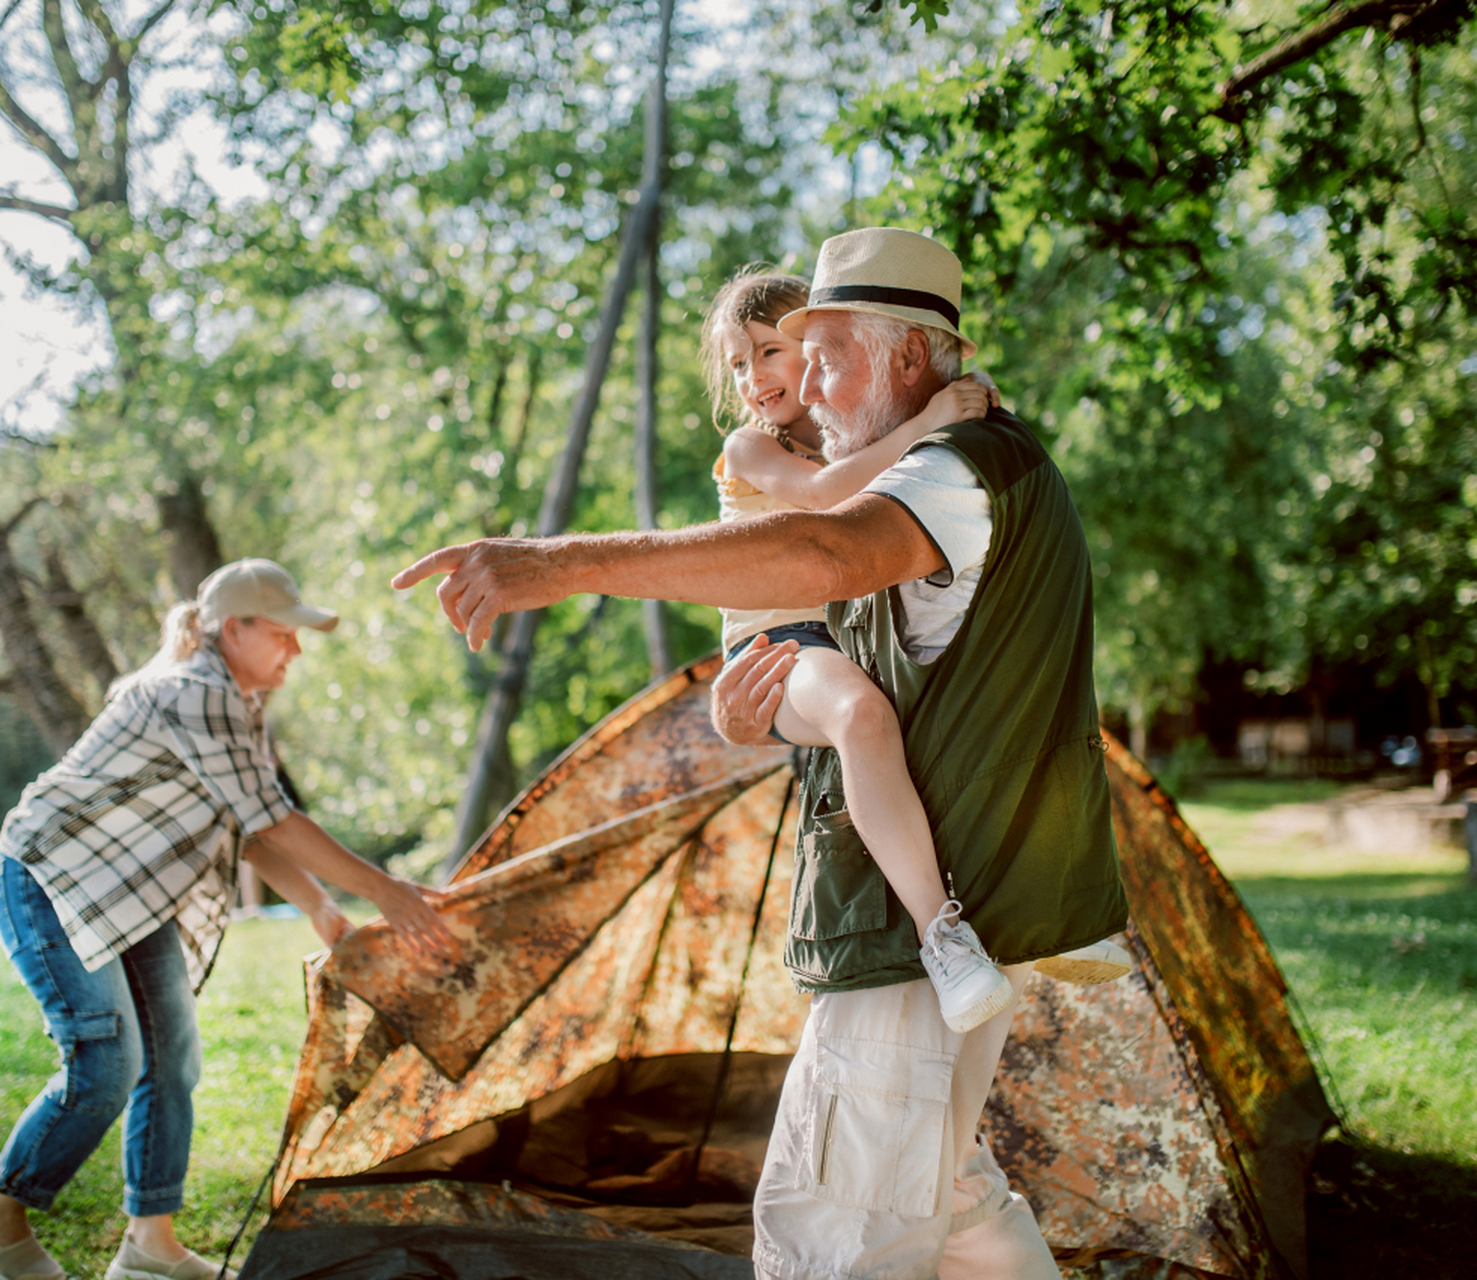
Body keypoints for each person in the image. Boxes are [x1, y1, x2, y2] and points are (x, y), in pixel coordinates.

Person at [394, 227, 1130, 1279]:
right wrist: (752, 715)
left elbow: (821, 548)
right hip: (930, 929)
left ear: (908, 359)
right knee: (950, 1197)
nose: (801, 388)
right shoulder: (939, 461)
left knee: (828, 1235)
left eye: (822, 355)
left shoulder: (961, 467)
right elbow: (840, 638)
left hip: (909, 943)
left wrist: (555, 564)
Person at [0, 558, 453, 1280]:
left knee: (170, 1061)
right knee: (105, 1063)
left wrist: (317, 904)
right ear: (232, 628)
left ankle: (150, 1249)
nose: (295, 650)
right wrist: (386, 890)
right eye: (282, 633)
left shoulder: (236, 702)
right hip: (53, 878)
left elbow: (244, 824)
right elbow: (273, 818)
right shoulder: (196, 692)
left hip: (133, 895)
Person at [702, 267, 1012, 1032]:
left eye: (769, 353)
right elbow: (822, 500)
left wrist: (956, 413)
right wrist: (930, 418)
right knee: (861, 718)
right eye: (738, 365)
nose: (754, 378)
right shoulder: (750, 449)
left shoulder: (851, 434)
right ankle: (943, 938)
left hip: (843, 642)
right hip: (773, 647)